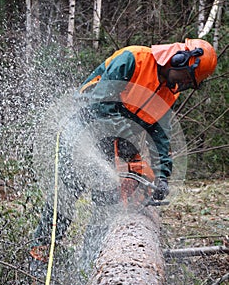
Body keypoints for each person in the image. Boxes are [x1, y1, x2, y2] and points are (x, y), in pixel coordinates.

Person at [30, 38, 217, 262]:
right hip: (85, 128)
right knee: (69, 191)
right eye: (187, 77)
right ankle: (40, 252)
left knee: (108, 202)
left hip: (117, 140)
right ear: (180, 59)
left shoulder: (169, 92)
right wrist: (126, 142)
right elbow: (101, 104)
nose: (184, 84)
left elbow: (160, 135)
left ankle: (91, 263)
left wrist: (162, 176)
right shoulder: (133, 59)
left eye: (190, 83)